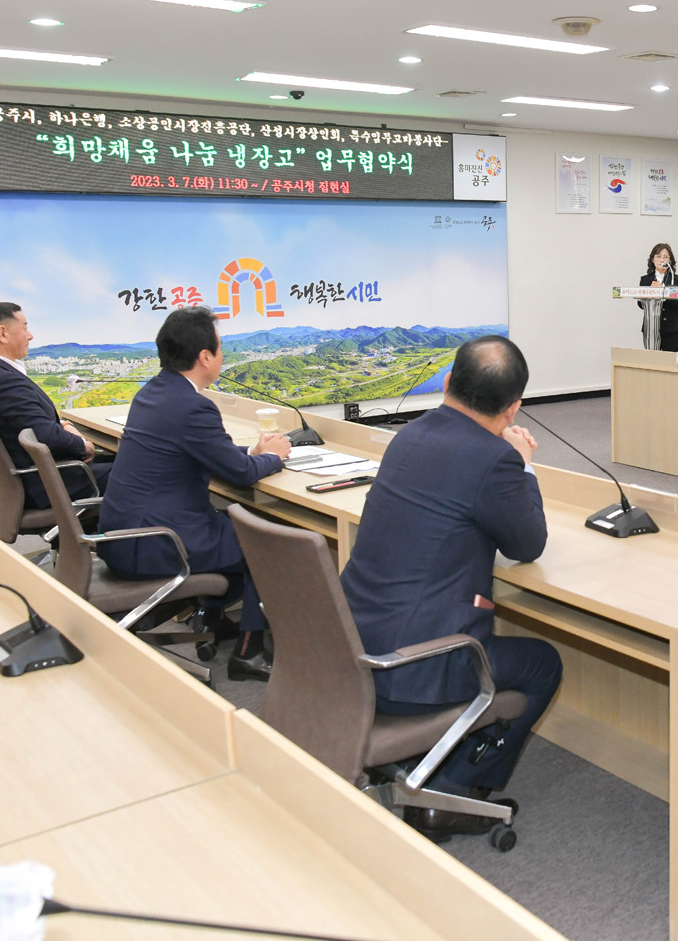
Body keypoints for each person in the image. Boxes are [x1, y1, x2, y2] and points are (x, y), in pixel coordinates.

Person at [339, 335, 558, 839]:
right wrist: (524, 464)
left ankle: (435, 766)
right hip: (415, 668)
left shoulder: (408, 435)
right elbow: (528, 544)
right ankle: (453, 792)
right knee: (544, 664)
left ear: (446, 383)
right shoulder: (495, 459)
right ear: (513, 408)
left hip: (352, 646)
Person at [98, 306, 291, 680]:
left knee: (230, 524)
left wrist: (252, 451)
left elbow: (202, 450)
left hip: (122, 533)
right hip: (156, 542)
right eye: (220, 348)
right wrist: (275, 457)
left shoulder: (153, 392)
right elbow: (240, 475)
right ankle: (248, 653)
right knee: (264, 540)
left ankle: (212, 617)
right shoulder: (193, 406)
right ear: (205, 357)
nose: (222, 355)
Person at [0, 301, 110, 509]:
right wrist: (84, 444)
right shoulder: (4, 380)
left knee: (128, 461)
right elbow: (46, 435)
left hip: (44, 473)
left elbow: (33, 422)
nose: (30, 336)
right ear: (3, 333)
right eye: (24, 328)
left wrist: (65, 425)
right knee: (145, 473)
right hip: (55, 480)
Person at [638, 242, 678, 352]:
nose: (662, 260)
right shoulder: (645, 280)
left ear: (670, 260)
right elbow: (640, 304)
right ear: (653, 260)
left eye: (665, 257)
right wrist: (650, 292)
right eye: (658, 256)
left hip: (670, 330)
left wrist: (663, 291)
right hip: (650, 329)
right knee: (651, 360)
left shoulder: (676, 279)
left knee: (669, 361)